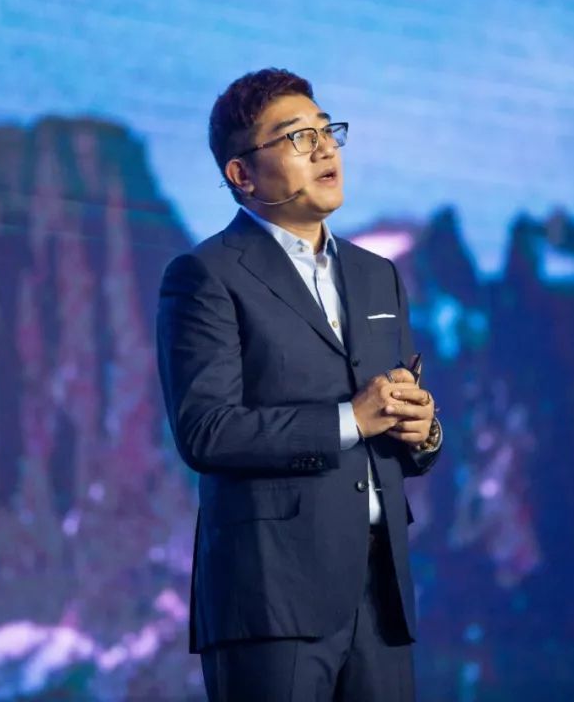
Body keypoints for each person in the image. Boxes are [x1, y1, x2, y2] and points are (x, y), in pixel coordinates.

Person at [156, 68, 442, 702]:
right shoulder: (206, 275)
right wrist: (350, 420)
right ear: (242, 174)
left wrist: (423, 432)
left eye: (326, 130)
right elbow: (206, 430)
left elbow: (393, 427)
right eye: (296, 137)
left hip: (381, 593)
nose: (324, 148)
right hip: (271, 597)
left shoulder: (377, 276)